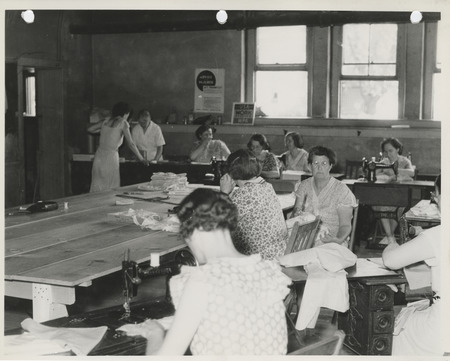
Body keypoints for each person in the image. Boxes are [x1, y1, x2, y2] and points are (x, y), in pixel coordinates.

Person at [140, 188, 292, 355]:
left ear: (194, 232)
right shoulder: (268, 270)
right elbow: (234, 318)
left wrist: (154, 332)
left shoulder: (203, 281)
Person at [382, 174, 443, 356]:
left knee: (402, 328)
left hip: (442, 329)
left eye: (435, 195)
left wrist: (391, 243)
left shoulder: (438, 234)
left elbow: (390, 260)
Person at [220, 149, 289, 260]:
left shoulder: (243, 194)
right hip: (278, 252)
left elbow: (219, 221)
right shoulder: (266, 186)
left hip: (259, 259)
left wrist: (223, 192)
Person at [290, 145, 357, 248]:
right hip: (305, 240)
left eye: (324, 163)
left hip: (332, 242)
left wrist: (337, 240)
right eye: (315, 163)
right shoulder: (303, 186)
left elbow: (345, 225)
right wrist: (297, 214)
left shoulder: (341, 190)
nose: (319, 167)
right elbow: (295, 216)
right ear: (309, 166)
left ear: (330, 166)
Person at [88, 102, 148, 192]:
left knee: (97, 185)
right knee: (111, 186)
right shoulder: (123, 123)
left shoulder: (106, 120)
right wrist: (141, 158)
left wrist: (103, 132)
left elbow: (90, 129)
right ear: (126, 113)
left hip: (99, 156)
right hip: (111, 157)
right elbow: (131, 144)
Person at [375, 137, 415, 245]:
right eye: (386, 151)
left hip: (400, 195)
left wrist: (394, 170)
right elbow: (375, 174)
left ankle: (389, 237)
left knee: (400, 207)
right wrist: (384, 175)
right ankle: (390, 237)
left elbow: (412, 173)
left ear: (397, 149)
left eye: (390, 150)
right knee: (379, 205)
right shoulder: (384, 161)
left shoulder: (405, 161)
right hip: (385, 194)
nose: (388, 154)